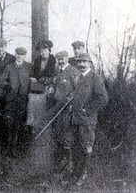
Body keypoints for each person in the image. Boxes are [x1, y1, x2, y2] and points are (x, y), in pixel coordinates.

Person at [62, 53, 108, 186]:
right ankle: (74, 173)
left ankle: (84, 174)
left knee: (86, 147)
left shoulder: (95, 77)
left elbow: (103, 98)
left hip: (87, 121)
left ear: (89, 63)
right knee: (74, 146)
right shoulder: (77, 77)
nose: (81, 64)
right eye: (79, 62)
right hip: (74, 119)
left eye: (84, 62)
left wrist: (87, 109)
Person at [46, 51, 80, 174]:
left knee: (67, 138)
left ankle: (69, 167)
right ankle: (60, 165)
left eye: (62, 59)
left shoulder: (73, 71)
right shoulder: (57, 71)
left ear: (67, 58)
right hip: (57, 109)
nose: (60, 61)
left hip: (67, 110)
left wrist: (71, 98)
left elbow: (78, 89)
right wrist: (50, 88)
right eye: (58, 59)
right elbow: (54, 84)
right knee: (58, 136)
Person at [0, 47, 32, 157]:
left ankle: (14, 147)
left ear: (24, 56)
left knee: (18, 123)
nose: (19, 56)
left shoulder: (28, 67)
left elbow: (33, 81)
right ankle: (8, 146)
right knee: (8, 122)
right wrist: (7, 87)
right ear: (15, 54)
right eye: (17, 54)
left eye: (22, 54)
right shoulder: (9, 67)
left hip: (22, 99)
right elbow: (1, 80)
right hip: (11, 99)